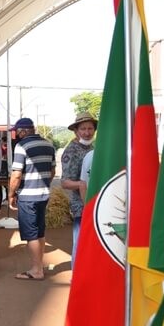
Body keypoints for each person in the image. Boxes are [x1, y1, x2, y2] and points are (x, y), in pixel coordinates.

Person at [7, 118, 56, 280]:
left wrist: (11, 194)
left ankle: (36, 270)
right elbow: (52, 171)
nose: (16, 135)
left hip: (28, 196)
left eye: (17, 132)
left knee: (31, 234)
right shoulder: (49, 145)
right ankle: (39, 266)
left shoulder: (21, 146)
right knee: (40, 231)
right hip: (43, 194)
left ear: (23, 131)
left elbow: (16, 175)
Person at [60, 112, 97, 267]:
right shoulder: (71, 151)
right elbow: (64, 182)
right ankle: (76, 274)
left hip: (95, 203)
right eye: (83, 129)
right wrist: (81, 185)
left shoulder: (93, 148)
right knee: (80, 243)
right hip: (81, 206)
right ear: (76, 131)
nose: (87, 133)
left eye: (90, 128)